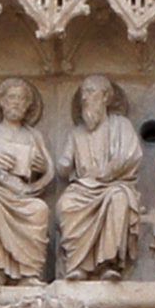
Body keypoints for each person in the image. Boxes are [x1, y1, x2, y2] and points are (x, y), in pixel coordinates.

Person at [0, 77, 53, 283]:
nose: (16, 102)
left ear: (28, 107)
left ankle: (29, 272)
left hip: (23, 193)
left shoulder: (33, 135)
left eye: (21, 99)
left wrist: (40, 170)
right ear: (1, 102)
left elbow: (49, 170)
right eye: (11, 97)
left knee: (39, 210)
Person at [57, 75, 139, 278]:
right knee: (66, 204)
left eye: (91, 92)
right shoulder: (76, 133)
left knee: (118, 198)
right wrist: (63, 166)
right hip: (83, 187)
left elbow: (132, 155)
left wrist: (108, 171)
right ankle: (78, 265)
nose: (85, 97)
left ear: (106, 97)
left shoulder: (121, 125)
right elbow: (65, 162)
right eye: (83, 93)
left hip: (113, 184)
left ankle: (108, 264)